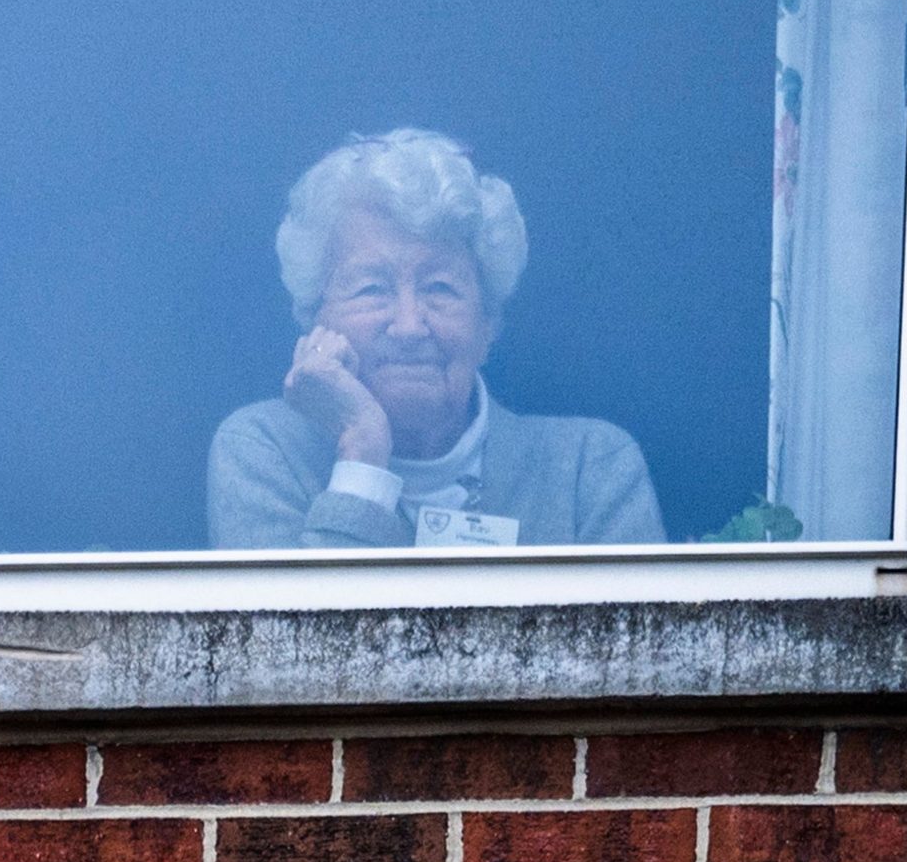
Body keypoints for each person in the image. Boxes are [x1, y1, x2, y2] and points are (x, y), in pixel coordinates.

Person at [208, 127, 664, 549]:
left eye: (439, 288)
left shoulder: (590, 469)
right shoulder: (263, 452)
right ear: (314, 319)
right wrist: (361, 452)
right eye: (372, 289)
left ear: (488, 324)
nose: (409, 326)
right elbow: (295, 639)